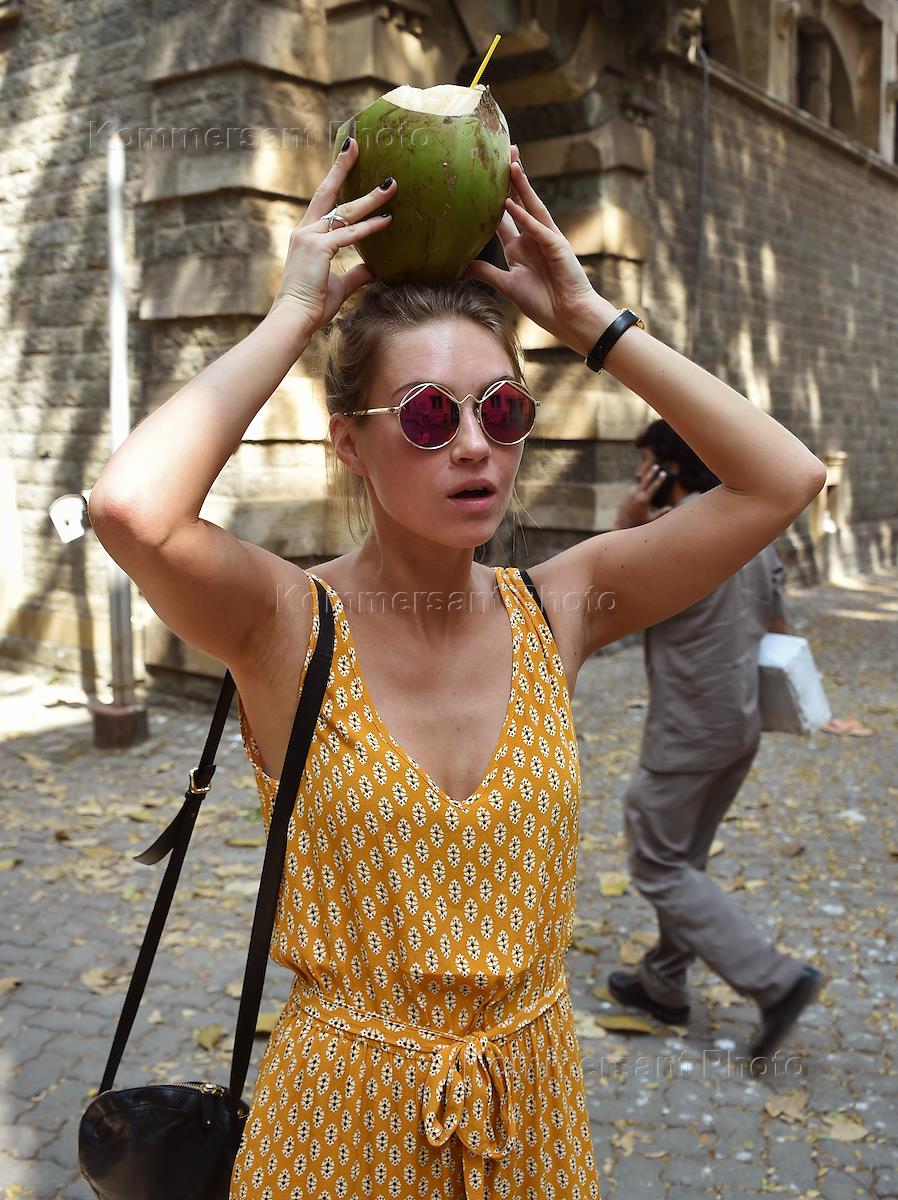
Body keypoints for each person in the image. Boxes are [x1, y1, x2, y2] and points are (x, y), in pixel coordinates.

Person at [87, 136, 825, 1199]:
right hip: (340, 1124)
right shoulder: (285, 622)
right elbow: (130, 509)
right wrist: (293, 314)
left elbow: (781, 478)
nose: (476, 445)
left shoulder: (558, 608)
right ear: (349, 443)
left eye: (503, 408)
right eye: (430, 415)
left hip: (530, 1114)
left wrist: (591, 324)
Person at [607, 420, 823, 1059]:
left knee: (658, 864)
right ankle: (663, 983)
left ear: (668, 469)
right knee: (685, 861)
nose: (638, 477)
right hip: (738, 726)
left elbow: (603, 606)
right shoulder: (752, 525)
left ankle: (775, 981)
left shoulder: (675, 534)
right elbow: (779, 620)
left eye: (645, 464)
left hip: (685, 735)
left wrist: (627, 524)